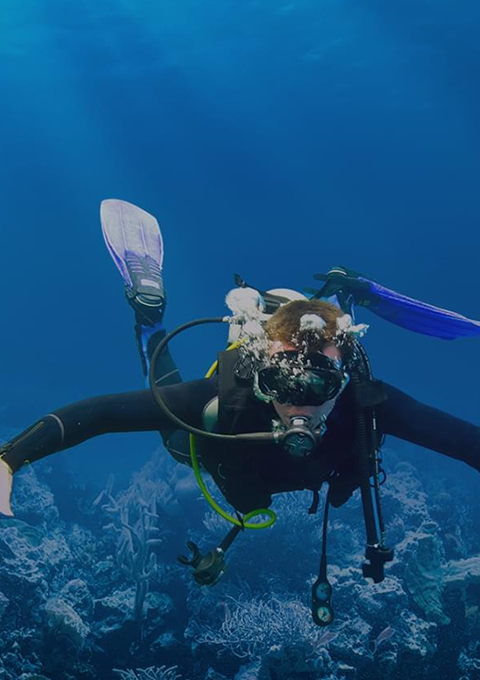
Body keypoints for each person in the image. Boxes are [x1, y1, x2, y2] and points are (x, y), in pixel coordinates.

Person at [2, 199, 480, 623]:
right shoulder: (222, 399)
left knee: (324, 333)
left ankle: (341, 296)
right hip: (226, 442)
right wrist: (9, 458)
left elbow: (461, 440)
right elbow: (104, 414)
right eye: (282, 381)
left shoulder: (364, 401)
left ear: (345, 377)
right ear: (257, 371)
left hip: (299, 405)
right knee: (178, 437)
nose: (302, 403)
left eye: (322, 383)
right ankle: (151, 319)